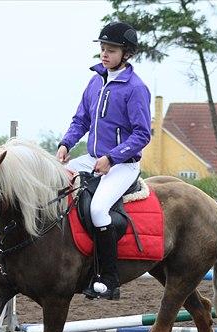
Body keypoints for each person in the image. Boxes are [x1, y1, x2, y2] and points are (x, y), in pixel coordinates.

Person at [57, 21, 152, 301]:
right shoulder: (95, 81)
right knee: (55, 178)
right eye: (102, 48)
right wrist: (65, 144)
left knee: (99, 209)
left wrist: (112, 157)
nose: (105, 54)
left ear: (127, 53)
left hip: (123, 164)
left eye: (111, 49)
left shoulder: (135, 88)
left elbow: (142, 134)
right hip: (93, 158)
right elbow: (81, 120)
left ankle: (108, 278)